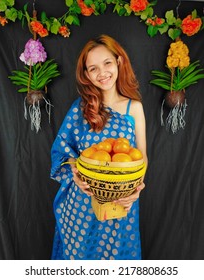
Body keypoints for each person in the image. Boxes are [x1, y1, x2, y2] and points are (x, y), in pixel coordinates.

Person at [50, 34, 148, 260]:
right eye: (92, 68)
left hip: (120, 203)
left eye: (107, 63)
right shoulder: (81, 108)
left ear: (119, 62)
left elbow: (142, 157)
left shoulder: (133, 108)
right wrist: (75, 177)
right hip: (82, 203)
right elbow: (63, 150)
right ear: (86, 74)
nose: (102, 73)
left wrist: (135, 190)